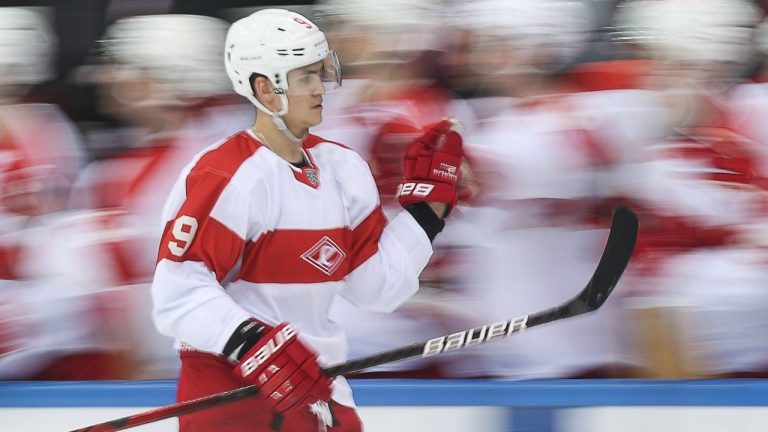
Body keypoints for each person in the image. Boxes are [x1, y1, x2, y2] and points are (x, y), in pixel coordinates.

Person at [150, 8, 464, 432]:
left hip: (321, 387)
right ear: (265, 88)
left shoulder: (343, 168)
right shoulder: (226, 175)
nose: (321, 88)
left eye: (321, 72)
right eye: (304, 77)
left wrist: (427, 213)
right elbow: (177, 292)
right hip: (231, 394)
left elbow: (375, 289)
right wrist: (252, 345)